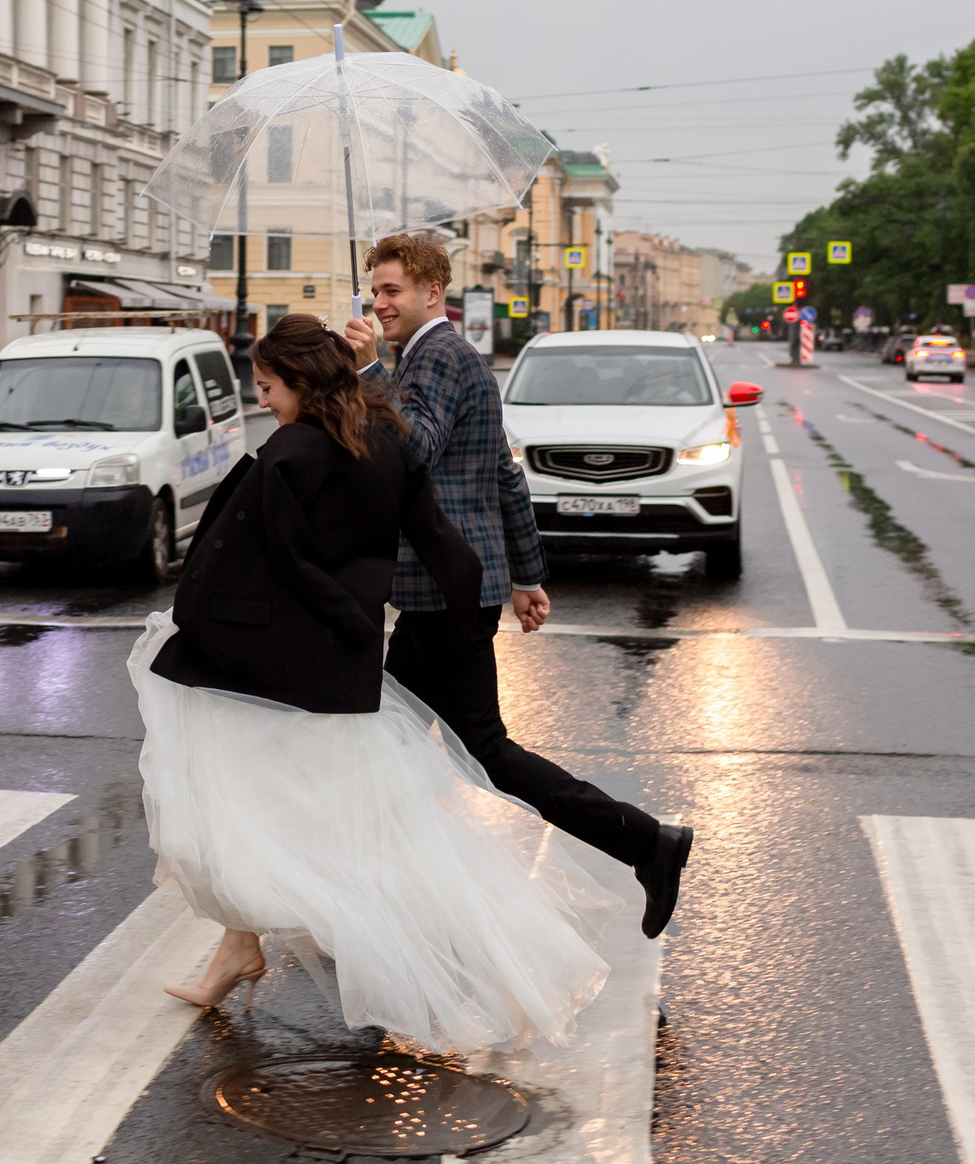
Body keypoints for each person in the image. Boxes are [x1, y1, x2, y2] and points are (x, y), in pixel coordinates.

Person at [133, 315, 618, 1052]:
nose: (263, 399)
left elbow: (280, 559)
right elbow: (440, 543)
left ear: (297, 381)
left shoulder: (293, 450)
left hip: (292, 669)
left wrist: (332, 618)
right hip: (346, 669)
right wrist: (469, 610)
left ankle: (495, 977)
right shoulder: (385, 436)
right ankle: (237, 949)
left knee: (348, 833)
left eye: (266, 385)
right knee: (287, 808)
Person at [341, 232, 694, 938]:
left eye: (392, 291)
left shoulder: (433, 356)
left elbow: (411, 449)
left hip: (445, 587)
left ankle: (647, 841)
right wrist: (527, 573)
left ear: (432, 291)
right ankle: (388, 890)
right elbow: (503, 471)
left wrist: (367, 373)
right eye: (375, 291)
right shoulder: (440, 355)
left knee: (472, 747)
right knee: (385, 734)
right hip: (448, 585)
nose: (379, 302)